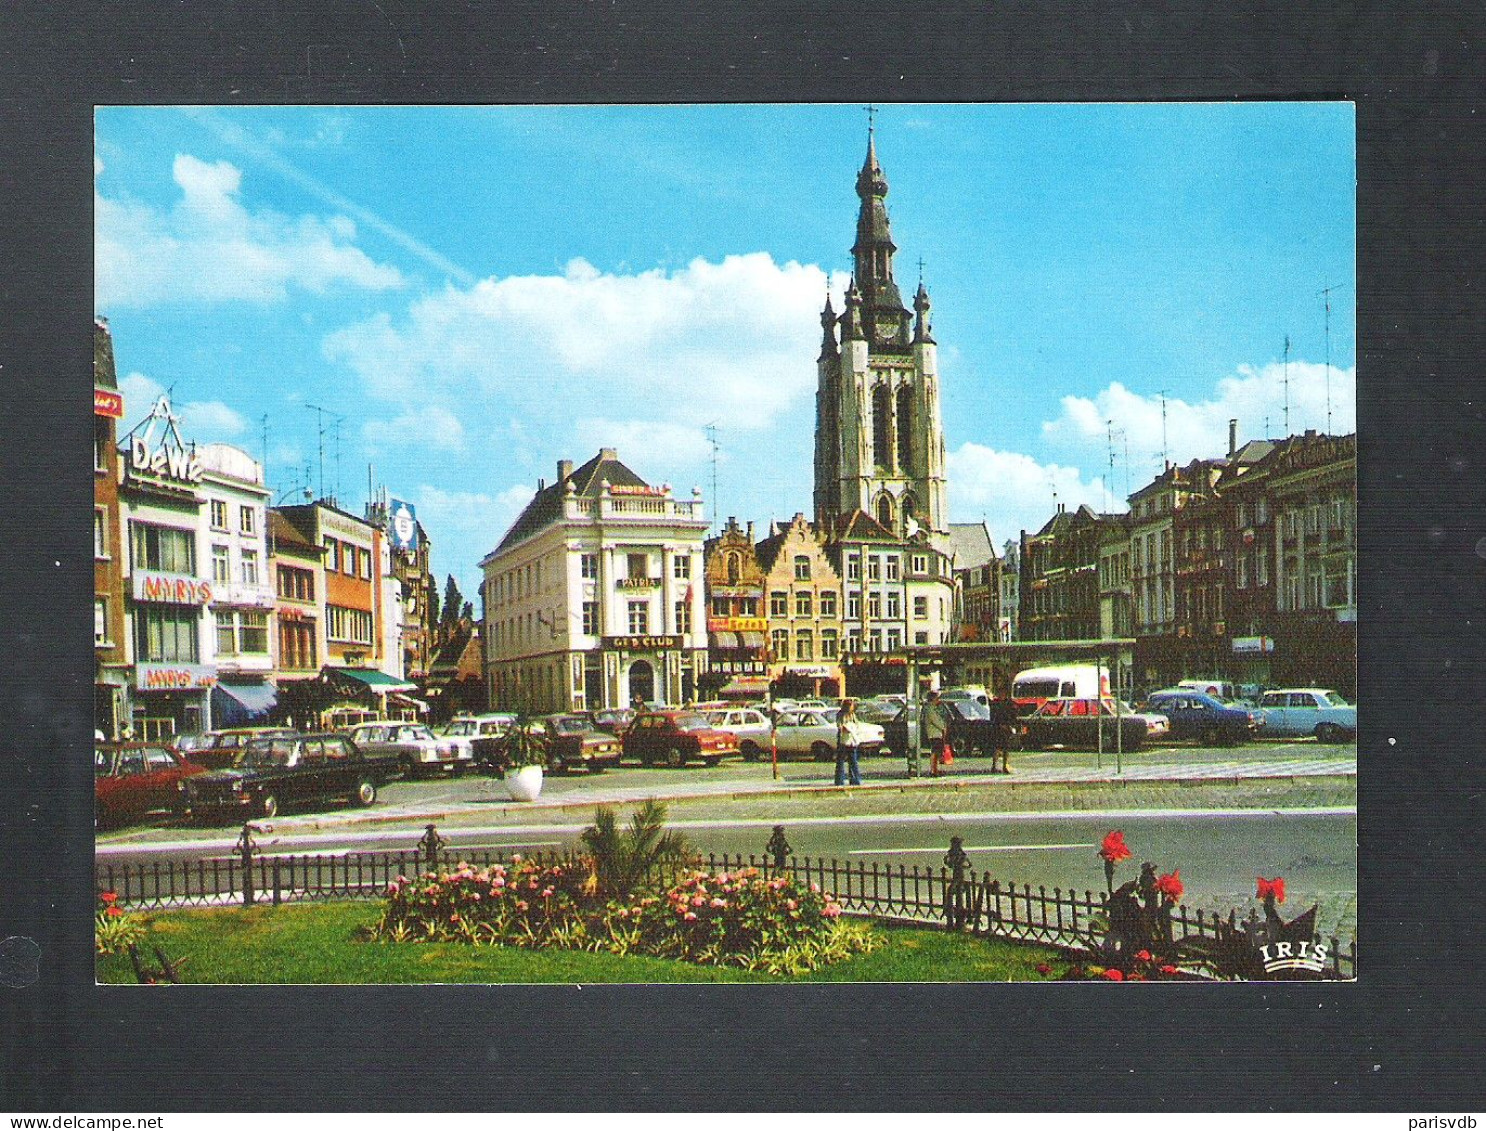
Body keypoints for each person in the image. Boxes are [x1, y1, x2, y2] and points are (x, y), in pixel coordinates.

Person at [835, 698, 863, 786]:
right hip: (843, 740)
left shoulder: (852, 715)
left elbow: (857, 724)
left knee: (853, 761)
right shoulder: (840, 714)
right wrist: (844, 728)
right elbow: (839, 725)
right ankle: (839, 781)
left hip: (851, 740)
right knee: (840, 761)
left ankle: (855, 780)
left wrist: (853, 728)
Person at [922, 691, 950, 776]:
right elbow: (936, 721)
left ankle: (935, 769)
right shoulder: (930, 709)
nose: (938, 700)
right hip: (934, 733)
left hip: (937, 733)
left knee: (937, 752)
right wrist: (943, 727)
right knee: (935, 752)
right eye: (937, 698)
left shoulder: (933, 708)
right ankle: (933, 770)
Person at [988, 695, 1019, 774]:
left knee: (1005, 748)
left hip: (1006, 728)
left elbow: (1013, 716)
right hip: (998, 728)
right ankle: (994, 766)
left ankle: (1004, 766)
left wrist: (1010, 726)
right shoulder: (996, 704)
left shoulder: (1008, 704)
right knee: (997, 748)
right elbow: (993, 716)